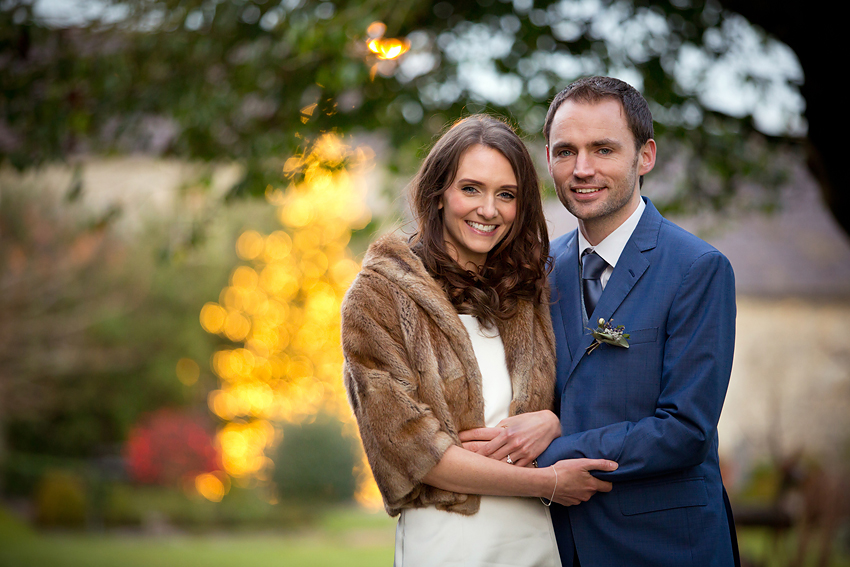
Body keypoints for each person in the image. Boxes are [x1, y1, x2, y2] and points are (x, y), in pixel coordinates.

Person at [462, 77, 741, 566]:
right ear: (547, 157)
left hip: (668, 545)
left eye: (603, 149)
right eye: (566, 151)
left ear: (645, 156)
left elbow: (685, 431)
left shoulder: (697, 268)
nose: (582, 169)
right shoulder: (540, 269)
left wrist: (546, 450)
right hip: (559, 546)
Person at [341, 114, 618, 567]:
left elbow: (577, 393)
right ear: (438, 194)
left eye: (505, 195)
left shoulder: (528, 292)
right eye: (471, 188)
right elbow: (416, 453)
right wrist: (546, 483)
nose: (489, 210)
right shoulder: (379, 297)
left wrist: (554, 421)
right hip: (449, 539)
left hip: (535, 537)